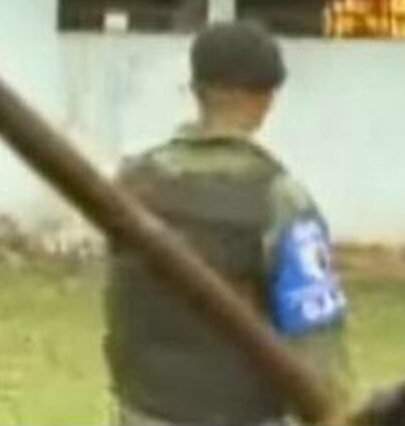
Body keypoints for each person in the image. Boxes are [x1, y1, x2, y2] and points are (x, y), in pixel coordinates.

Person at [104, 21, 351, 426]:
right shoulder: (280, 197)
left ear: (196, 90)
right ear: (266, 98)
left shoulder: (133, 183)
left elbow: (123, 308)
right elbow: (314, 335)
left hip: (143, 412)